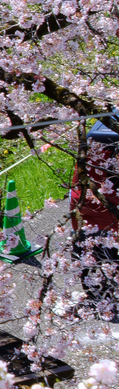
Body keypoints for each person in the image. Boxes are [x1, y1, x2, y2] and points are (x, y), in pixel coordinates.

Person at [72, 114, 119, 311]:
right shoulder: (108, 151)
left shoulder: (97, 145)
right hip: (104, 202)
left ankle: (98, 293)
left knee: (89, 246)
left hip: (87, 198)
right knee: (98, 248)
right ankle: (102, 294)